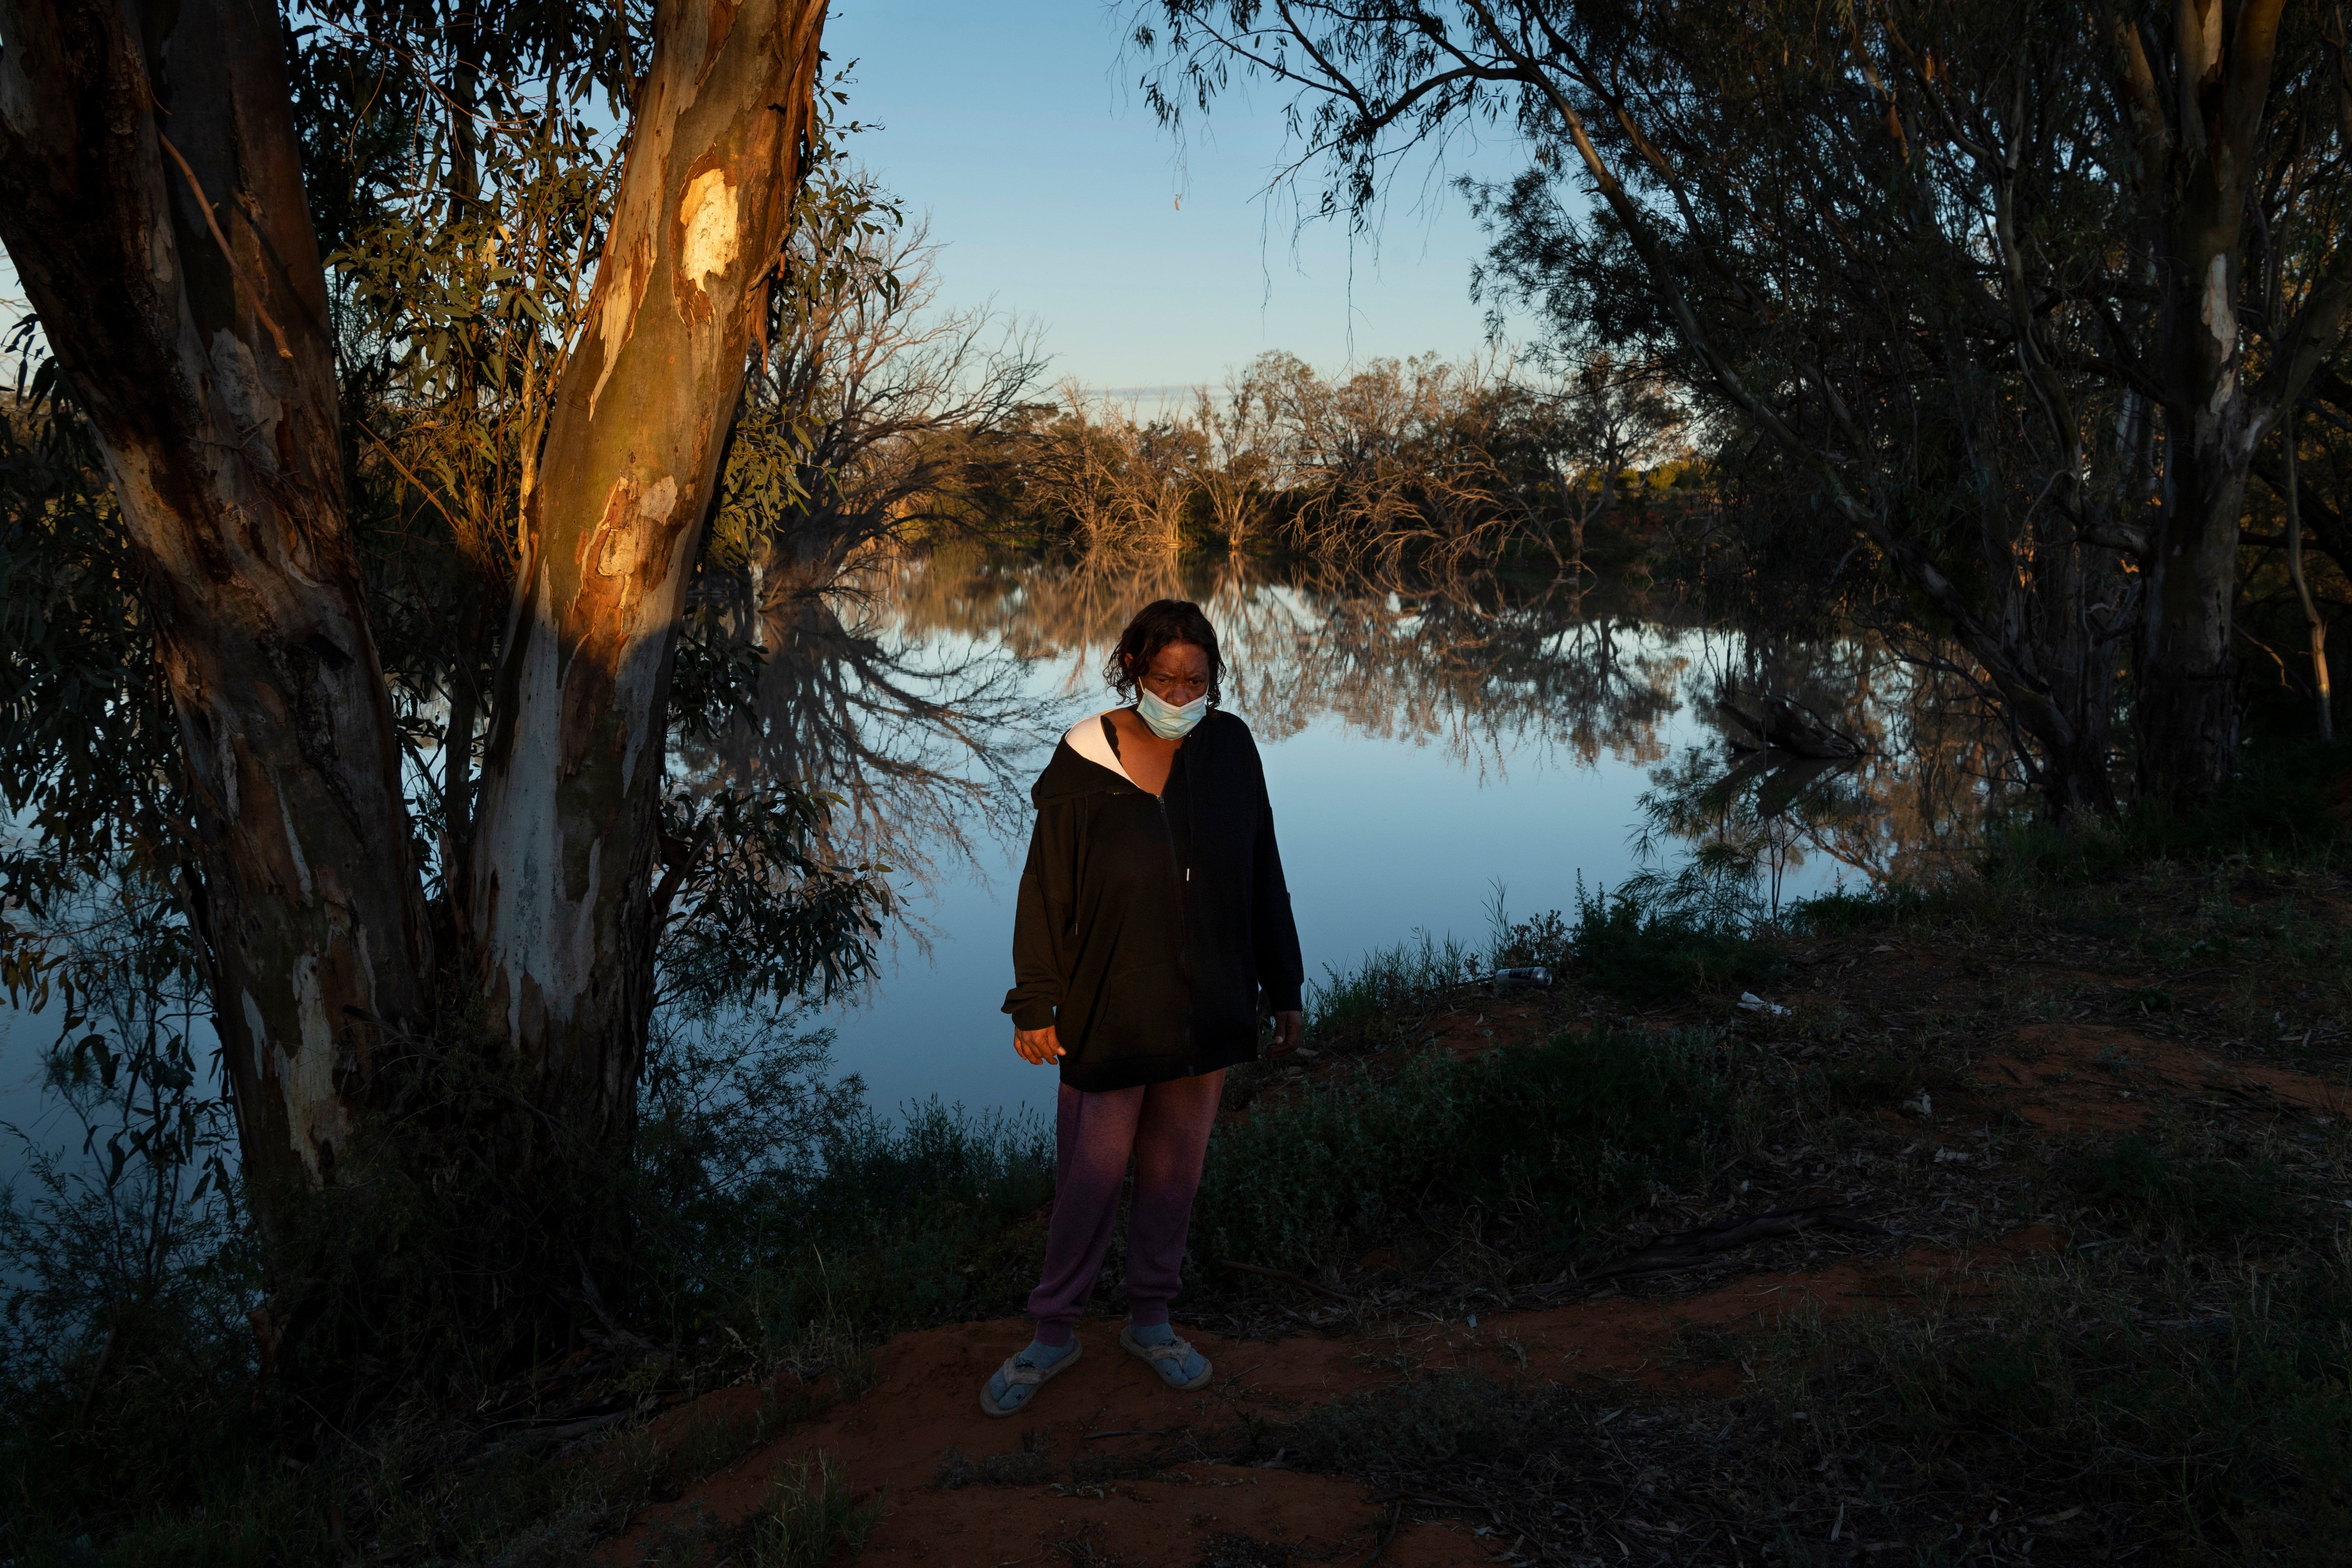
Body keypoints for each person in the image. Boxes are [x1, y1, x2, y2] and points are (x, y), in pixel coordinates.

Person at [982, 599, 1305, 1417]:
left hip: (1210, 1008)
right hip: (1112, 1008)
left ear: (1214, 679)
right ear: (1132, 670)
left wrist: (1286, 983)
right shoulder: (1084, 758)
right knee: (1090, 1175)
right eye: (1164, 676)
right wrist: (1033, 1003)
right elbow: (1044, 890)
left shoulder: (1230, 748)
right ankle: (1052, 1332)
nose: (1180, 690)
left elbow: (1263, 866)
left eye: (1195, 678)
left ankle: (1151, 1320)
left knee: (1173, 1174)